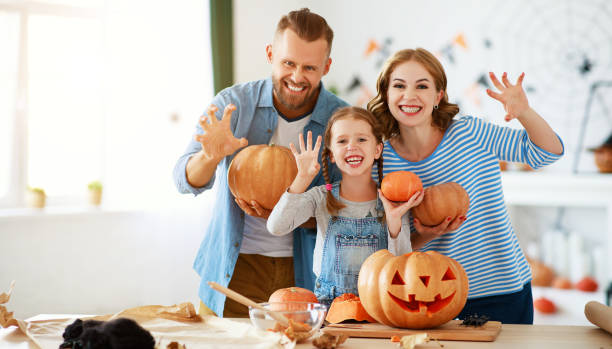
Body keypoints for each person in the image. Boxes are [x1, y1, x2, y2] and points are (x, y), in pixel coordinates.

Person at [173, 8, 348, 318]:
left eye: (310, 67)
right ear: (270, 54)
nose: (296, 77)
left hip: (307, 272)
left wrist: (288, 213)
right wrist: (209, 157)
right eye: (288, 63)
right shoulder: (234, 104)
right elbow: (183, 180)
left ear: (327, 66)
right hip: (234, 267)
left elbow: (348, 208)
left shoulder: (342, 120)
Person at [367, 48, 564, 324]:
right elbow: (388, 249)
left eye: (421, 86)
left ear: (438, 96)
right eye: (399, 85)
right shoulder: (379, 159)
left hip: (501, 290)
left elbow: (548, 153)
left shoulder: (471, 133)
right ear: (386, 94)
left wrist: (524, 113)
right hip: (426, 297)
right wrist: (425, 236)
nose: (409, 95)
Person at [267, 106, 424, 305]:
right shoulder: (320, 197)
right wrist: (303, 178)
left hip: (380, 307)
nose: (352, 146)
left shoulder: (393, 202)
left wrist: (394, 223)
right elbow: (276, 226)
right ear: (331, 154)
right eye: (342, 141)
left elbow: (402, 267)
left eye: (361, 139)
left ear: (377, 149)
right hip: (329, 310)